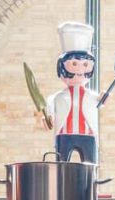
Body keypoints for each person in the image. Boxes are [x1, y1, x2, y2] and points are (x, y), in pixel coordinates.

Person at [42, 22, 100, 164]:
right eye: (74, 64)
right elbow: (48, 114)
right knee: (62, 166)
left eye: (85, 64)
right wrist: (47, 119)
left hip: (87, 134)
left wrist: (104, 97)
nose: (80, 68)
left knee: (89, 166)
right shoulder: (56, 97)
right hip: (64, 134)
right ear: (61, 66)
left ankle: (90, 185)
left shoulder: (92, 96)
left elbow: (101, 101)